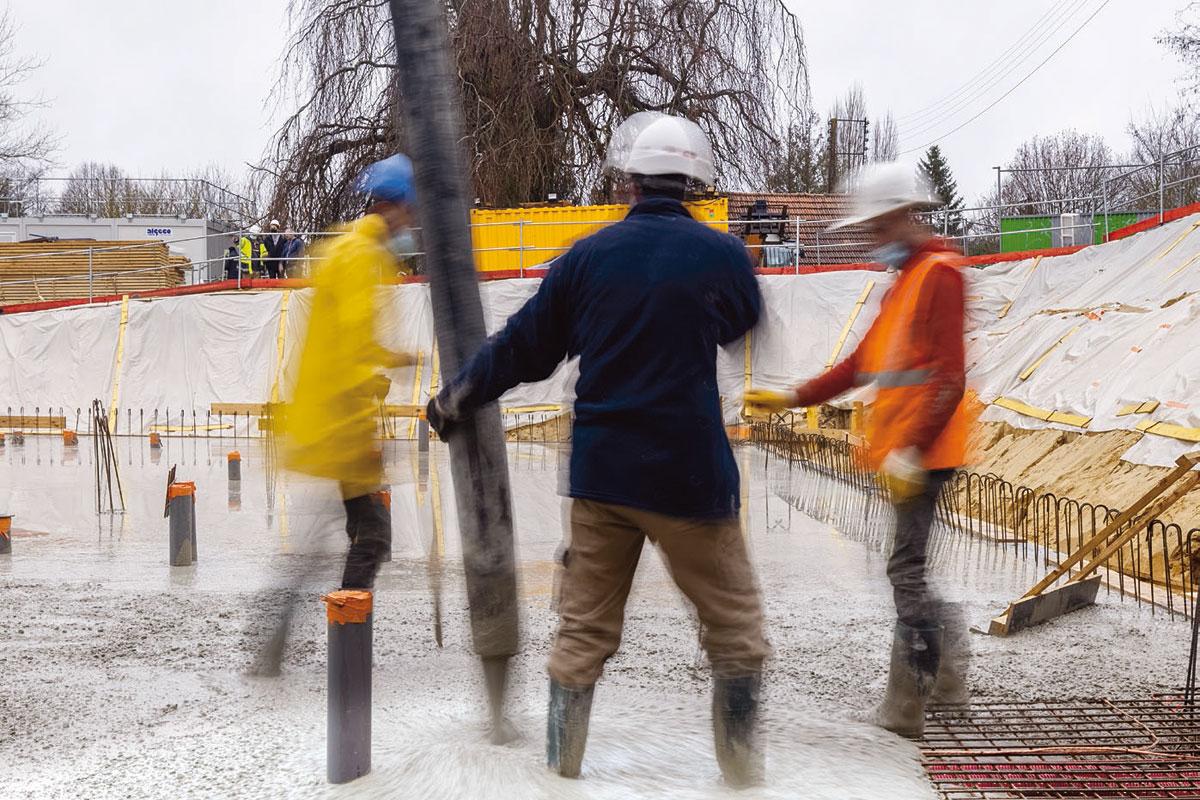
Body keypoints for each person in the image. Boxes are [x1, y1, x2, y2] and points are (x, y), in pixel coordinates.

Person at [426, 112, 769, 786]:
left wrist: (457, 396)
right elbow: (743, 321)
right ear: (695, 184)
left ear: (631, 183)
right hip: (691, 480)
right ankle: (741, 774)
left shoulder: (586, 259)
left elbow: (523, 348)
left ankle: (561, 768)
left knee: (582, 633)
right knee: (736, 631)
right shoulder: (723, 256)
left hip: (602, 477)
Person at [744, 161, 975, 738]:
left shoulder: (940, 275)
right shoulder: (906, 283)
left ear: (903, 215)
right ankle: (947, 672)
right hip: (907, 450)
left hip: (925, 451)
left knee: (904, 570)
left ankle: (908, 707)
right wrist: (794, 395)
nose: (872, 238)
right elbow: (860, 365)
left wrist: (912, 451)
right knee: (909, 569)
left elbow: (950, 377)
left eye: (877, 226)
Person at [281, 153, 418, 591]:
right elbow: (353, 337)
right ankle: (345, 632)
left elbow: (348, 333)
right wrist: (365, 427)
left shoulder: (345, 245)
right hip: (342, 419)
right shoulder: (363, 256)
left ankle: (339, 635)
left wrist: (395, 358)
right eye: (408, 211)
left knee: (356, 527)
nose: (409, 223)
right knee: (374, 536)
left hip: (326, 412)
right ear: (392, 207)